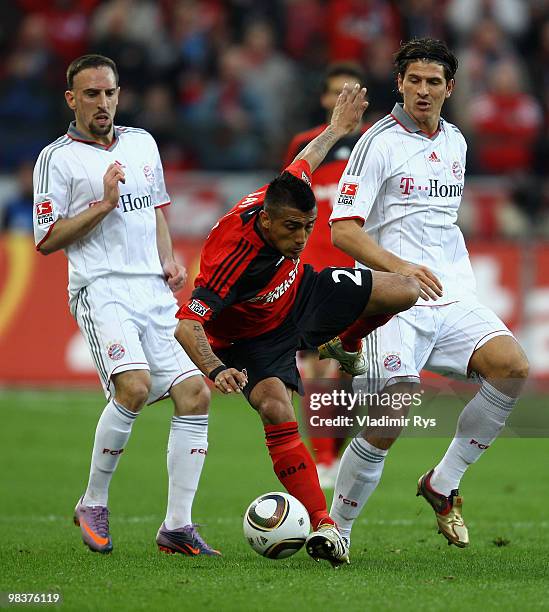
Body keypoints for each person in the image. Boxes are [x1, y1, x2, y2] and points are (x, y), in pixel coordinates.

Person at [174, 82, 420, 567]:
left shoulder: (280, 197)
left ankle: (340, 343)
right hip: (250, 336)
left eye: (307, 226)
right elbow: (187, 324)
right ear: (265, 221)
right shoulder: (234, 257)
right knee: (275, 408)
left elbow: (303, 161)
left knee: (405, 288)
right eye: (291, 227)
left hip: (300, 294)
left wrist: (336, 129)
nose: (302, 235)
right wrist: (215, 367)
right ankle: (325, 523)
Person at [328, 38, 529, 550]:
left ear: (450, 88)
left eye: (433, 82)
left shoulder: (456, 141)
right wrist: (401, 269)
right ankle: (338, 530)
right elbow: (343, 230)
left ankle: (443, 483)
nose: (422, 90)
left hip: (452, 294)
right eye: (413, 80)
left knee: (512, 367)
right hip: (392, 298)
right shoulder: (378, 142)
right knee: (391, 413)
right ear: (399, 84)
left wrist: (433, 273)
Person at [32, 54, 218, 557]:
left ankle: (177, 527)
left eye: (109, 93)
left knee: (196, 393)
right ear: (72, 99)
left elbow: (157, 206)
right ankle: (93, 502)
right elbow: (46, 240)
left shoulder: (142, 143)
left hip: (152, 292)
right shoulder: (57, 159)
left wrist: (168, 259)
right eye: (91, 94)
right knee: (132, 387)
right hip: (102, 288)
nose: (102, 103)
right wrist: (104, 203)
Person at [283, 63, 370, 488]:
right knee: (317, 369)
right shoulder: (305, 146)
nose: (344, 102)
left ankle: (333, 451)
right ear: (324, 99)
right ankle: (323, 459)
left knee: (351, 375)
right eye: (336, 93)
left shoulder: (376, 144)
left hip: (358, 269)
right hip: (312, 273)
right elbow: (288, 202)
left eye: (350, 93)